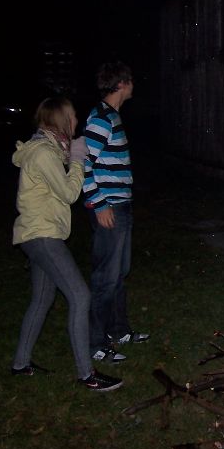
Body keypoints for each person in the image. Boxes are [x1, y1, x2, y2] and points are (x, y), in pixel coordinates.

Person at [11, 97, 122, 392]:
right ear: (60, 119)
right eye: (72, 116)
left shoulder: (47, 149)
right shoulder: (43, 153)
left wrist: (71, 155)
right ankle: (87, 374)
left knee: (42, 299)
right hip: (42, 236)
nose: (76, 121)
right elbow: (70, 193)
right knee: (80, 296)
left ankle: (20, 364)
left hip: (38, 234)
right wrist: (77, 159)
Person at [84, 61, 149, 364]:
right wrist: (99, 204)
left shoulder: (112, 116)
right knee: (105, 278)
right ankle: (95, 344)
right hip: (109, 208)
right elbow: (82, 163)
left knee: (118, 274)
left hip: (121, 205)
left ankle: (118, 330)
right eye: (130, 80)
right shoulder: (101, 119)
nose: (133, 84)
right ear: (121, 83)